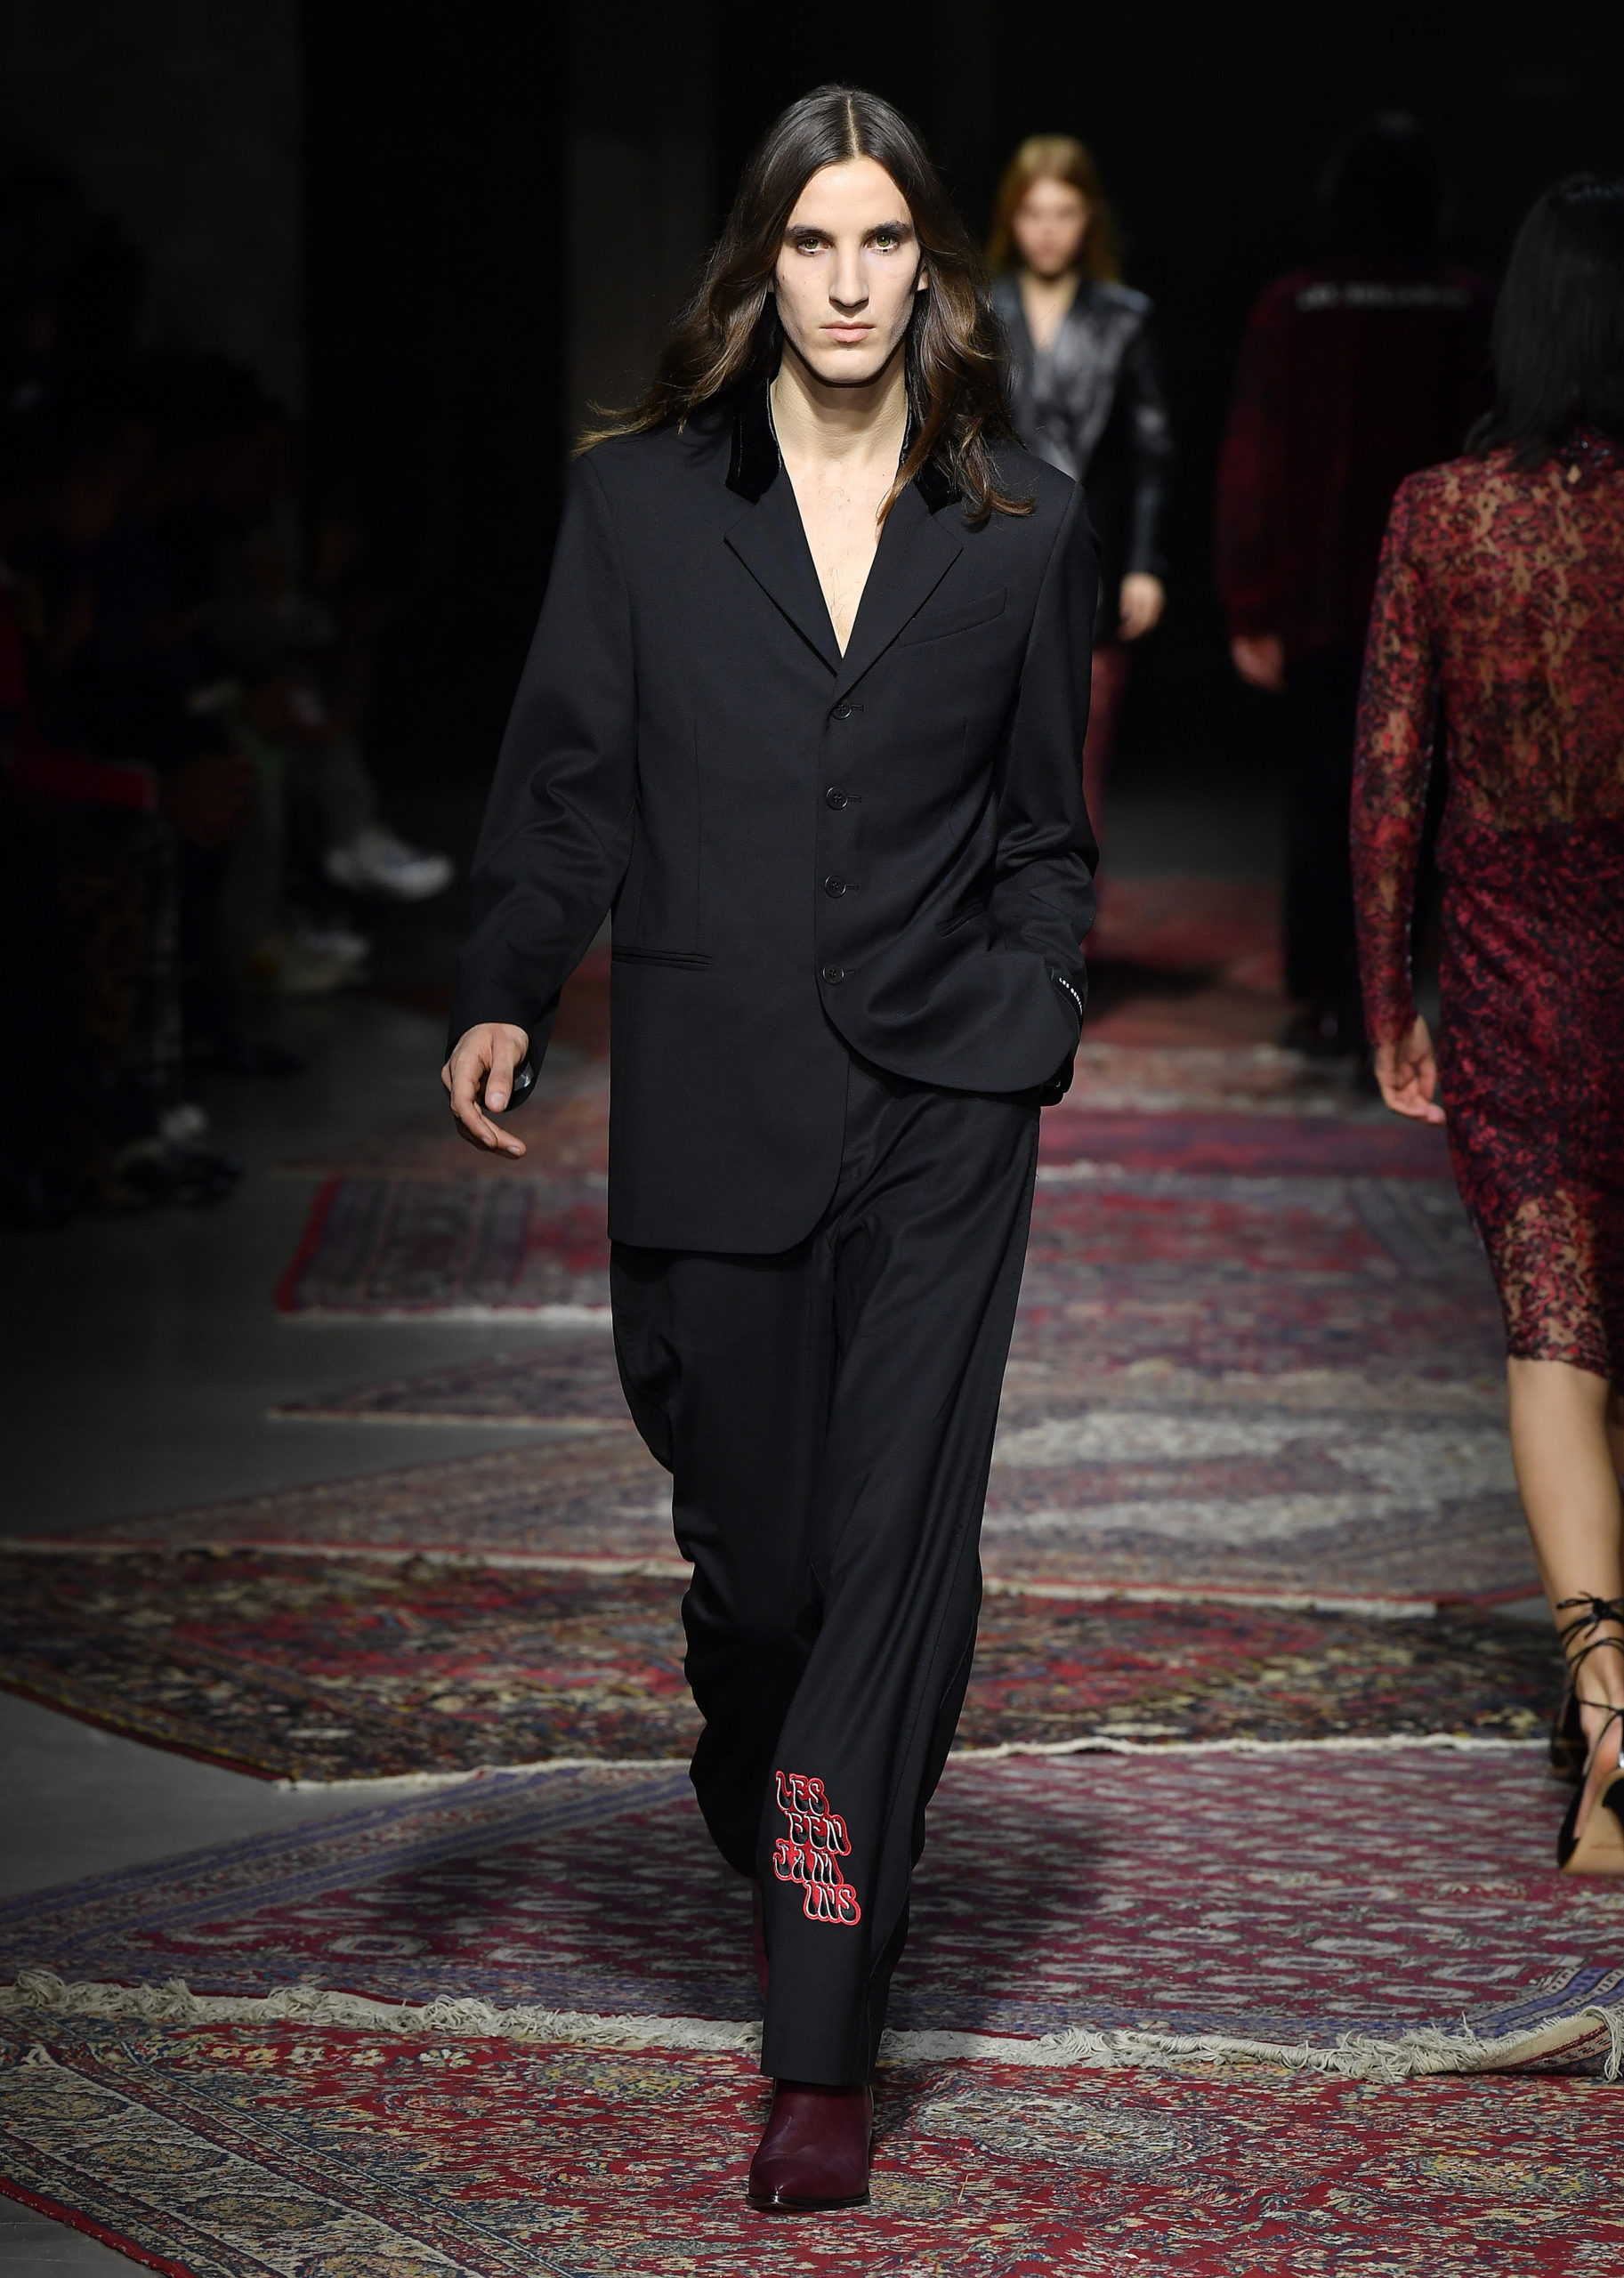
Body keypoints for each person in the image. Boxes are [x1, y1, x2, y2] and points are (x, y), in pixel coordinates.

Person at [444, 84, 1095, 2212]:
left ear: (930, 267)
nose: (846, 283)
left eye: (881, 243)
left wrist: (1030, 1000)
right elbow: (569, 778)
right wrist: (505, 980)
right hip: (717, 1093)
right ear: (759, 263)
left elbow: (1042, 824)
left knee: (893, 1558)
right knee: (765, 1572)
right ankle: (747, 1722)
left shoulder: (1019, 517)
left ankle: (822, 2041)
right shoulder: (637, 505)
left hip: (943, 1102)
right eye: (811, 243)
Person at [1351, 176, 1624, 1874]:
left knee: (1556, 1328)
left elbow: (1391, 781)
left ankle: (1612, 1716)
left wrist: (1393, 1002)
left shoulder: (1446, 517)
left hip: (1520, 969)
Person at [1216, 113, 1492, 1057]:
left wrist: (1251, 603)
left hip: (1326, 601)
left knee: (1326, 794)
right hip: (1446, 598)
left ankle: (1332, 994)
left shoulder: (1296, 308)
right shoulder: (1468, 304)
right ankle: (1404, 993)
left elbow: (1252, 463)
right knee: (1434, 797)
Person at [987, 135, 1169, 845]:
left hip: (1087, 558)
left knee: (1078, 759)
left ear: (1089, 218)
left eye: (1063, 213)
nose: (1047, 230)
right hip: (992, 552)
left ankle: (1067, 912)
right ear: (1011, 217)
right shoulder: (976, 310)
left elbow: (1150, 453)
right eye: (1033, 213)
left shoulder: (1125, 318)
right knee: (988, 757)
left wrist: (1145, 565)